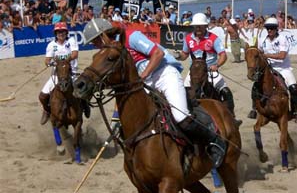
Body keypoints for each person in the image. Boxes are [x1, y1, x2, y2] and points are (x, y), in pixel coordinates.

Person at [82, 18, 226, 168]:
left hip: (163, 74)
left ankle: (215, 141)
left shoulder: (131, 37)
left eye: (95, 41)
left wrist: (143, 75)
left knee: (180, 116)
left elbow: (157, 54)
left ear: (103, 35)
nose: (94, 45)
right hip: (143, 82)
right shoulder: (110, 53)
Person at [174, 13, 242, 126]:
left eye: (201, 26)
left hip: (210, 71)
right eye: (196, 26)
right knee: (183, 91)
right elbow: (185, 55)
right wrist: (178, 56)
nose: (198, 28)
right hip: (194, 72)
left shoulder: (213, 38)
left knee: (226, 91)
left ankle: (231, 118)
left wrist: (217, 65)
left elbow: (223, 55)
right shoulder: (188, 39)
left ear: (206, 26)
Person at [247, 17, 297, 122]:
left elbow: (282, 55)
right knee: (255, 86)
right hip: (269, 68)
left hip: (283, 68)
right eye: (267, 28)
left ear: (276, 28)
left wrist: (266, 55)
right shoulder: (263, 39)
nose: (269, 30)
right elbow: (258, 53)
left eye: (271, 28)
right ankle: (254, 108)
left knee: (293, 86)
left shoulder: (282, 39)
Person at [38, 22, 90, 125]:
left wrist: (65, 61)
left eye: (63, 31)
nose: (61, 33)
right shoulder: (51, 45)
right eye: (58, 32)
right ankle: (47, 110)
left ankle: (85, 105)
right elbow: (47, 60)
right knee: (42, 96)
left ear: (66, 33)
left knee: (83, 91)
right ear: (55, 33)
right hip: (57, 76)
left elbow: (75, 54)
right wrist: (50, 63)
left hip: (72, 73)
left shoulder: (71, 41)